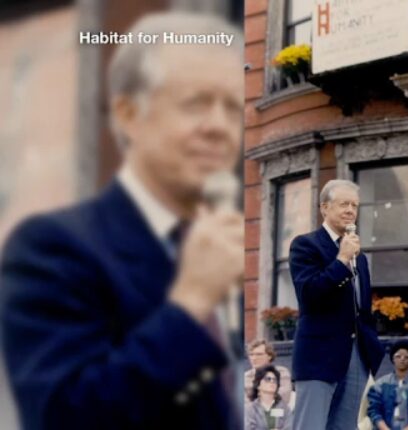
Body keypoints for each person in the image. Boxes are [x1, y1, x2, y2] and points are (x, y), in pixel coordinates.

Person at [0, 12, 244, 430]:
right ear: (129, 114)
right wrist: (191, 302)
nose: (219, 127)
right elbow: (64, 417)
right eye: (196, 103)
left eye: (234, 108)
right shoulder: (49, 247)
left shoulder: (227, 242)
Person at [288, 179, 384, 429]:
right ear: (324, 208)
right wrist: (341, 259)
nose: (351, 210)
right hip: (319, 356)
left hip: (356, 356)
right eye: (343, 204)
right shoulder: (305, 245)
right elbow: (309, 294)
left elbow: (363, 310)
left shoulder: (360, 257)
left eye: (354, 205)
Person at [367, 341, 408, 430]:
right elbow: (374, 411)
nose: (402, 359)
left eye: (406, 357)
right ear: (393, 359)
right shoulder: (380, 384)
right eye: (398, 356)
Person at [245, 339, 294, 409]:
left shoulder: (282, 372)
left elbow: (284, 395)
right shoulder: (246, 377)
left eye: (259, 354)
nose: (254, 358)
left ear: (269, 356)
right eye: (251, 355)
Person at [245, 365, 294, 430]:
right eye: (268, 379)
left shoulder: (285, 408)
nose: (272, 382)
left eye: (275, 380)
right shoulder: (250, 409)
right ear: (258, 385)